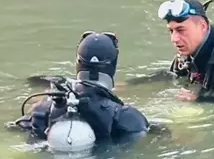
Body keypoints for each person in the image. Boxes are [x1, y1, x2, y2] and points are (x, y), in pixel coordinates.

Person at [9, 31, 151, 145]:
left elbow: (19, 130)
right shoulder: (127, 117)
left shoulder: (42, 110)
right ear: (113, 65)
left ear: (78, 62)